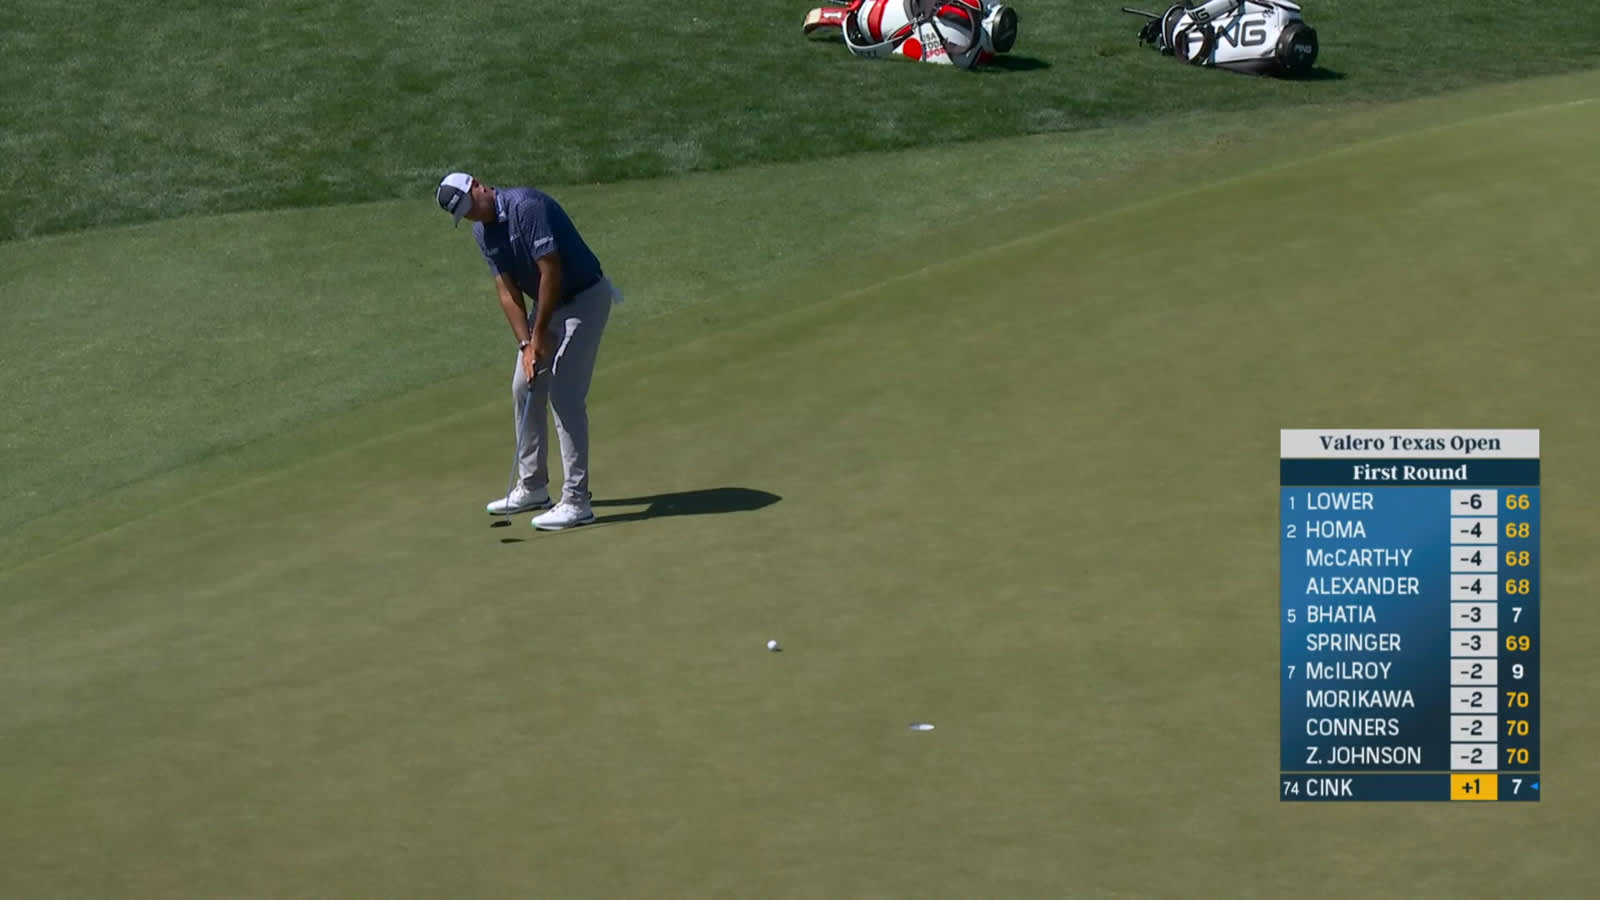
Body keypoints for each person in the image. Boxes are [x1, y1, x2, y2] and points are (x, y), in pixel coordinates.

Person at [435, 171, 619, 530]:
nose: (472, 215)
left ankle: (577, 501)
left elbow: (550, 271)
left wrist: (540, 335)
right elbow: (507, 290)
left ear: (478, 185)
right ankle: (534, 486)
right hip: (548, 308)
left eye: (471, 205)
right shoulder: (482, 232)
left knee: (564, 394)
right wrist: (526, 345)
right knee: (525, 386)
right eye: (465, 214)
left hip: (584, 299)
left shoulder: (527, 206)